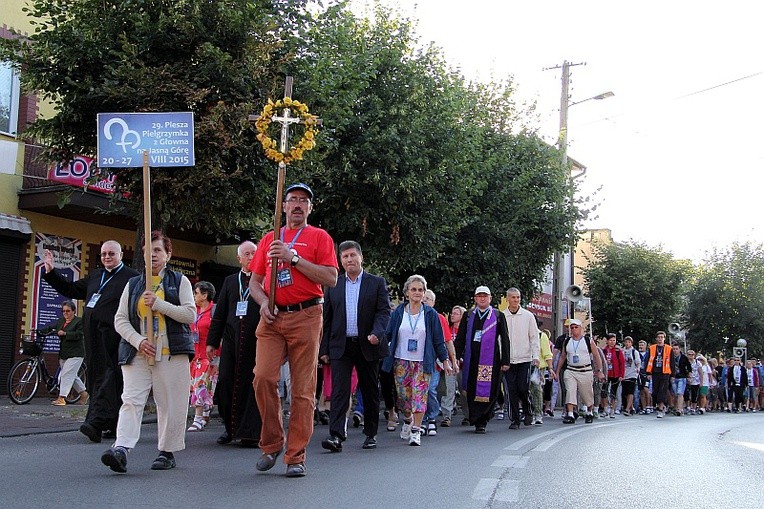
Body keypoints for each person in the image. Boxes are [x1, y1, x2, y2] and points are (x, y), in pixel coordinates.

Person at [248, 183, 338, 478]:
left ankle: (296, 455)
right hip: (273, 318)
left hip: (307, 315)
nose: (297, 204)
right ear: (283, 206)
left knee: (302, 389)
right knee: (263, 377)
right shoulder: (268, 239)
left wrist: (293, 258)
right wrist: (263, 302)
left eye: (303, 201)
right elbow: (254, 282)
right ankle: (272, 443)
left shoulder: (319, 237)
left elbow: (330, 278)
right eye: (292, 200)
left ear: (310, 208)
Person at [101, 231, 195, 473]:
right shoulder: (133, 284)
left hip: (171, 352)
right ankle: (121, 448)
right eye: (147, 250)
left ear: (168, 254)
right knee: (131, 400)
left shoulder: (179, 281)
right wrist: (138, 341)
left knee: (170, 404)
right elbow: (120, 320)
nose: (152, 255)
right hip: (138, 352)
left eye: (157, 251)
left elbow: (189, 314)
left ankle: (167, 451)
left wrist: (160, 304)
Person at [42, 241, 139, 443]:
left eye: (111, 253)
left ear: (121, 254)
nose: (106, 257)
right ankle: (112, 423)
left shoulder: (131, 277)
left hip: (115, 334)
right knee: (97, 377)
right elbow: (71, 289)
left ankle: (95, 422)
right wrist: (51, 272)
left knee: (110, 377)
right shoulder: (96, 275)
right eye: (103, 254)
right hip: (92, 335)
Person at [319, 240, 391, 452]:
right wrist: (324, 350)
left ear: (361, 257)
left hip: (367, 344)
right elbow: (327, 319)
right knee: (340, 391)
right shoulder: (333, 285)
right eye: (345, 257)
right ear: (340, 261)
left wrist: (377, 333)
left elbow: (384, 311)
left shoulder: (376, 282)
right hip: (341, 346)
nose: (349, 260)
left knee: (369, 390)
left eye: (352, 255)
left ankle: (370, 434)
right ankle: (336, 436)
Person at [381, 275, 452, 445]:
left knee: (420, 398)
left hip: (422, 362)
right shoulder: (399, 312)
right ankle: (407, 420)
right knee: (404, 399)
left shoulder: (430, 314)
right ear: (407, 292)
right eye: (414, 289)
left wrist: (445, 360)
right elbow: (388, 334)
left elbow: (438, 339)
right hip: (401, 361)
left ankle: (416, 431)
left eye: (420, 290)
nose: (417, 292)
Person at [207, 241, 262, 447]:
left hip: (256, 341)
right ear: (239, 258)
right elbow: (219, 314)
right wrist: (212, 342)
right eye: (246, 254)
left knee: (252, 386)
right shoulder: (231, 281)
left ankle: (250, 432)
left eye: (253, 253)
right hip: (231, 341)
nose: (250, 257)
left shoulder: (264, 279)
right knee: (227, 384)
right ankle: (230, 429)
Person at [454, 286, 510, 434]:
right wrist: (455, 357)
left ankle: (483, 419)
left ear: (490, 298)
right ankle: (475, 417)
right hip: (471, 359)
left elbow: (505, 338)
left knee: (490, 390)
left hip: (491, 360)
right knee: (472, 389)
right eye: (479, 296)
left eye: (485, 296)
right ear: (475, 298)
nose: (482, 298)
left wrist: (505, 360)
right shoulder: (468, 315)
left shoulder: (497, 315)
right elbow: (460, 339)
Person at [422, 289, 459, 436]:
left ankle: (431, 419)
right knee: (419, 392)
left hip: (433, 363)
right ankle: (421, 421)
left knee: (430, 390)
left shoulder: (439, 318)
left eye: (428, 299)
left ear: (434, 302)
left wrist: (453, 361)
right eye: (423, 298)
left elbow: (448, 341)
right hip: (416, 362)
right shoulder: (413, 316)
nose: (425, 301)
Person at [554, 319, 605, 424]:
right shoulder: (567, 341)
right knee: (570, 391)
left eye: (576, 327)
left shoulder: (588, 341)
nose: (573, 329)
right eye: (571, 327)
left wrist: (599, 370)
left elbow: (596, 356)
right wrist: (557, 371)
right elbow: (563, 357)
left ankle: (589, 412)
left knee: (586, 393)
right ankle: (570, 414)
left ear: (580, 328)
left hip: (585, 370)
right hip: (571, 370)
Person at [502, 288, 539, 429]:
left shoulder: (528, 316)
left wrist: (535, 356)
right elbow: (499, 339)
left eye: (518, 297)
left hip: (524, 359)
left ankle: (528, 411)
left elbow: (534, 337)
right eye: (513, 297)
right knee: (511, 390)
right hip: (508, 360)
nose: (516, 300)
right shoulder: (502, 316)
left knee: (523, 388)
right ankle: (515, 419)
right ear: (507, 299)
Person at [39, 300, 87, 406]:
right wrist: (38, 331)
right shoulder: (61, 321)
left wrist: (65, 333)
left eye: (68, 311)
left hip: (76, 353)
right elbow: (51, 328)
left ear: (73, 311)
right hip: (64, 353)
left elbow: (79, 334)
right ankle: (83, 393)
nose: (65, 313)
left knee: (66, 374)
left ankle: (62, 398)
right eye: (63, 311)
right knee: (71, 375)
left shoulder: (79, 321)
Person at [187, 281, 217, 432]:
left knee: (201, 386)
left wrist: (217, 357)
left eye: (196, 293)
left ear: (204, 295)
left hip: (208, 356)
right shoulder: (194, 311)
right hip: (194, 355)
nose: (193, 295)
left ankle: (197, 418)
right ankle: (205, 413)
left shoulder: (214, 311)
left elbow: (220, 333)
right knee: (197, 387)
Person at [440, 305, 466, 428]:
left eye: (456, 313)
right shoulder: (448, 329)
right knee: (448, 390)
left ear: (462, 316)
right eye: (452, 313)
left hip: (463, 365)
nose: (452, 315)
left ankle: (468, 415)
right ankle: (446, 416)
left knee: (464, 390)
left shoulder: (466, 331)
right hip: (450, 364)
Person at [644, 331, 672, 418]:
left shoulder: (668, 348)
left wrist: (673, 375)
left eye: (661, 337)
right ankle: (662, 405)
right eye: (658, 337)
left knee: (662, 391)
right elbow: (648, 360)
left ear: (664, 338)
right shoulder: (652, 348)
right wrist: (648, 372)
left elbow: (672, 362)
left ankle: (660, 408)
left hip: (665, 372)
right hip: (655, 372)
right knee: (655, 392)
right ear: (656, 338)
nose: (660, 339)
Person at [530, 324, 554, 424]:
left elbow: (547, 353)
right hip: (524, 365)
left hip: (538, 368)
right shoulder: (523, 334)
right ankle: (528, 412)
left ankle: (538, 414)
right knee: (525, 390)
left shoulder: (541, 336)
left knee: (537, 390)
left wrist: (550, 368)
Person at [602, 333, 625, 418]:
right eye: (610, 340)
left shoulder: (618, 351)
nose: (612, 342)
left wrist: (621, 375)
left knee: (613, 393)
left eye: (614, 340)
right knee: (604, 392)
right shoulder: (604, 350)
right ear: (607, 341)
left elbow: (622, 363)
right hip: (606, 374)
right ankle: (605, 409)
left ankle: (612, 409)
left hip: (615, 374)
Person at [670, 342, 692, 416]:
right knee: (675, 393)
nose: (675, 350)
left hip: (682, 377)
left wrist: (689, 375)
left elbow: (689, 367)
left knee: (680, 393)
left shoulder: (683, 357)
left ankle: (679, 409)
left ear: (679, 349)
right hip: (673, 377)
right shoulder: (670, 358)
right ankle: (676, 408)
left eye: (676, 349)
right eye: (674, 349)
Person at [620, 336, 640, 416]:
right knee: (625, 392)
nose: (627, 344)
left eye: (629, 342)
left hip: (632, 373)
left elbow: (638, 362)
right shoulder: (622, 351)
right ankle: (632, 407)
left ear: (631, 343)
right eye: (626, 342)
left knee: (630, 392)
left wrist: (638, 368)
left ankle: (627, 409)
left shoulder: (634, 352)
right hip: (624, 374)